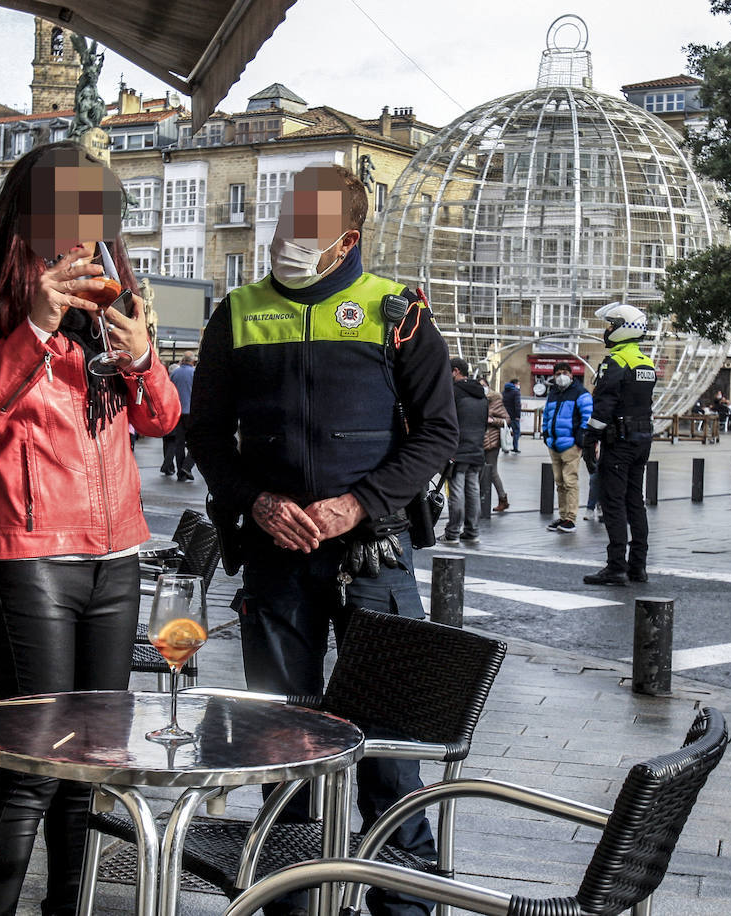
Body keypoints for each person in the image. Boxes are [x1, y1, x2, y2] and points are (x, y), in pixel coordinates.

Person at [187, 163, 456, 916]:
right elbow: (205, 433)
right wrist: (257, 501)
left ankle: (403, 907)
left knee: (389, 757)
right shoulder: (236, 311)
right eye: (286, 221)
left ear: (348, 237)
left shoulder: (396, 310)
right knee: (283, 745)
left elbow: (440, 433)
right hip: (276, 562)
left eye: (309, 227)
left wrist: (357, 506)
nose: (289, 238)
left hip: (374, 561)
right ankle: (291, 905)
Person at [0, 141, 182, 916]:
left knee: (95, 761)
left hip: (117, 555)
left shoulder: (116, 290)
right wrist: (35, 328)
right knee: (35, 761)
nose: (83, 230)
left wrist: (143, 358)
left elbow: (164, 417)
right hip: (32, 552)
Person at [581, 304, 656, 585]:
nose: (607, 329)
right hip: (642, 440)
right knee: (635, 501)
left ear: (625, 328)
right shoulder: (646, 363)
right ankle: (638, 566)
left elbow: (604, 406)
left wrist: (590, 440)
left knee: (613, 502)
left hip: (619, 441)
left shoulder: (615, 362)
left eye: (611, 324)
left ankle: (616, 567)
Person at [441, 358, 488, 545]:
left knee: (457, 492)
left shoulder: (454, 392)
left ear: (455, 371)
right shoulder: (482, 394)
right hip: (477, 450)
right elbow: (484, 423)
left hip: (458, 450)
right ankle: (472, 530)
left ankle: (452, 532)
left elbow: (447, 422)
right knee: (473, 491)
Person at [541, 362, 592, 534]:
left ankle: (571, 518)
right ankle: (563, 516)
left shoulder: (580, 393)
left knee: (570, 482)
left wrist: (580, 440)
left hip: (570, 444)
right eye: (558, 373)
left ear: (571, 375)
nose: (561, 376)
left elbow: (587, 417)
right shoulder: (553, 393)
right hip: (554, 444)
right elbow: (547, 415)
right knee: (560, 482)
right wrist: (546, 434)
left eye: (564, 372)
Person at [161, 351, 197, 480]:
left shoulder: (175, 373)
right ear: (192, 361)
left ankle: (181, 473)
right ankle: (186, 467)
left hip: (177, 413)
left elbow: (167, 390)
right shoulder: (195, 373)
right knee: (197, 442)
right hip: (192, 413)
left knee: (179, 443)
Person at [482, 378, 510, 513]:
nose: (482, 388)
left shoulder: (495, 401)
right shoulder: (477, 400)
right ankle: (481, 501)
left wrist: (493, 420)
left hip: (492, 441)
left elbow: (506, 419)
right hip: (479, 441)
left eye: (484, 385)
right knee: (478, 472)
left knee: (492, 472)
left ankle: (503, 499)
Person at [502, 376, 522, 453]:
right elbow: (517, 404)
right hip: (514, 416)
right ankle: (515, 447)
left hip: (505, 416)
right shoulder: (516, 392)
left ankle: (505, 447)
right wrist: (517, 416)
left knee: (505, 432)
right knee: (516, 432)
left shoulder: (503, 392)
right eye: (518, 384)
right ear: (515, 384)